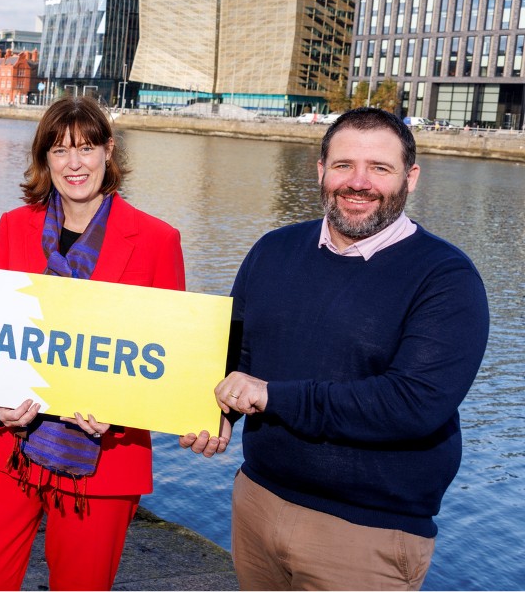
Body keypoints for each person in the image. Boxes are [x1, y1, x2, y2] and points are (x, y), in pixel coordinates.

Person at [182, 107, 489, 590]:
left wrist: (271, 396)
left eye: (379, 168)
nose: (359, 182)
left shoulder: (446, 278)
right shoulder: (273, 249)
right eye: (344, 165)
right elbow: (238, 355)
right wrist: (217, 412)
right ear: (321, 169)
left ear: (411, 178)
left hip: (366, 533)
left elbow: (414, 404)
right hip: (258, 501)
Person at [0, 96, 186, 590]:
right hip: (5, 443)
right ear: (45, 160)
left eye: (85, 148)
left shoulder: (157, 240)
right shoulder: (14, 226)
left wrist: (117, 408)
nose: (74, 163)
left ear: (108, 151)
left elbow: (167, 358)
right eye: (59, 151)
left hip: (104, 453)